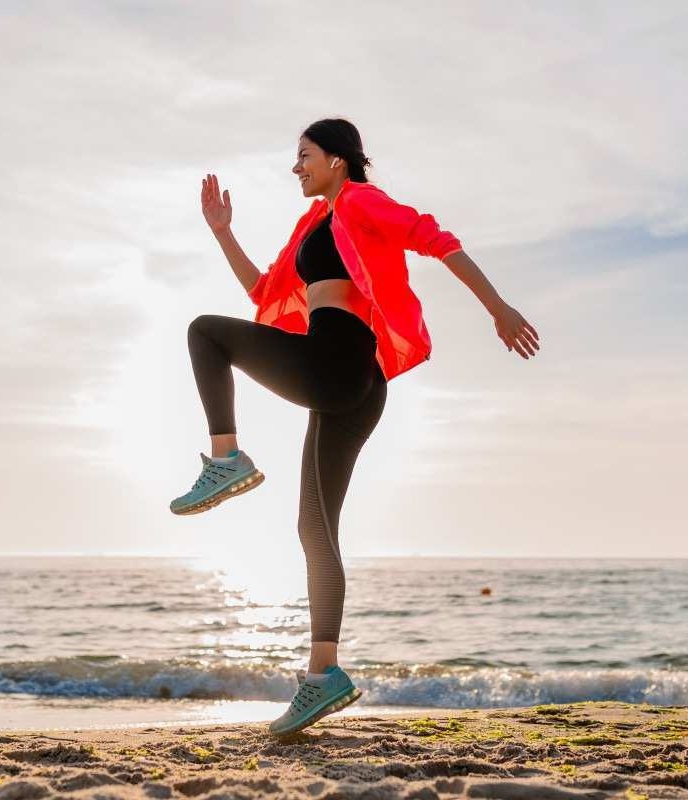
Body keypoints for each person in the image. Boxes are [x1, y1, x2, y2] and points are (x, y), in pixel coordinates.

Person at [171, 118, 539, 736]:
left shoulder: (363, 202)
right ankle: (324, 677)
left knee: (205, 332)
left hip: (341, 366)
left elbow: (436, 239)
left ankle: (226, 459)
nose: (297, 168)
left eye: (305, 156)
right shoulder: (313, 226)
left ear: (338, 161)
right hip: (353, 385)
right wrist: (222, 233)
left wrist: (498, 308)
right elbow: (265, 291)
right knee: (314, 528)